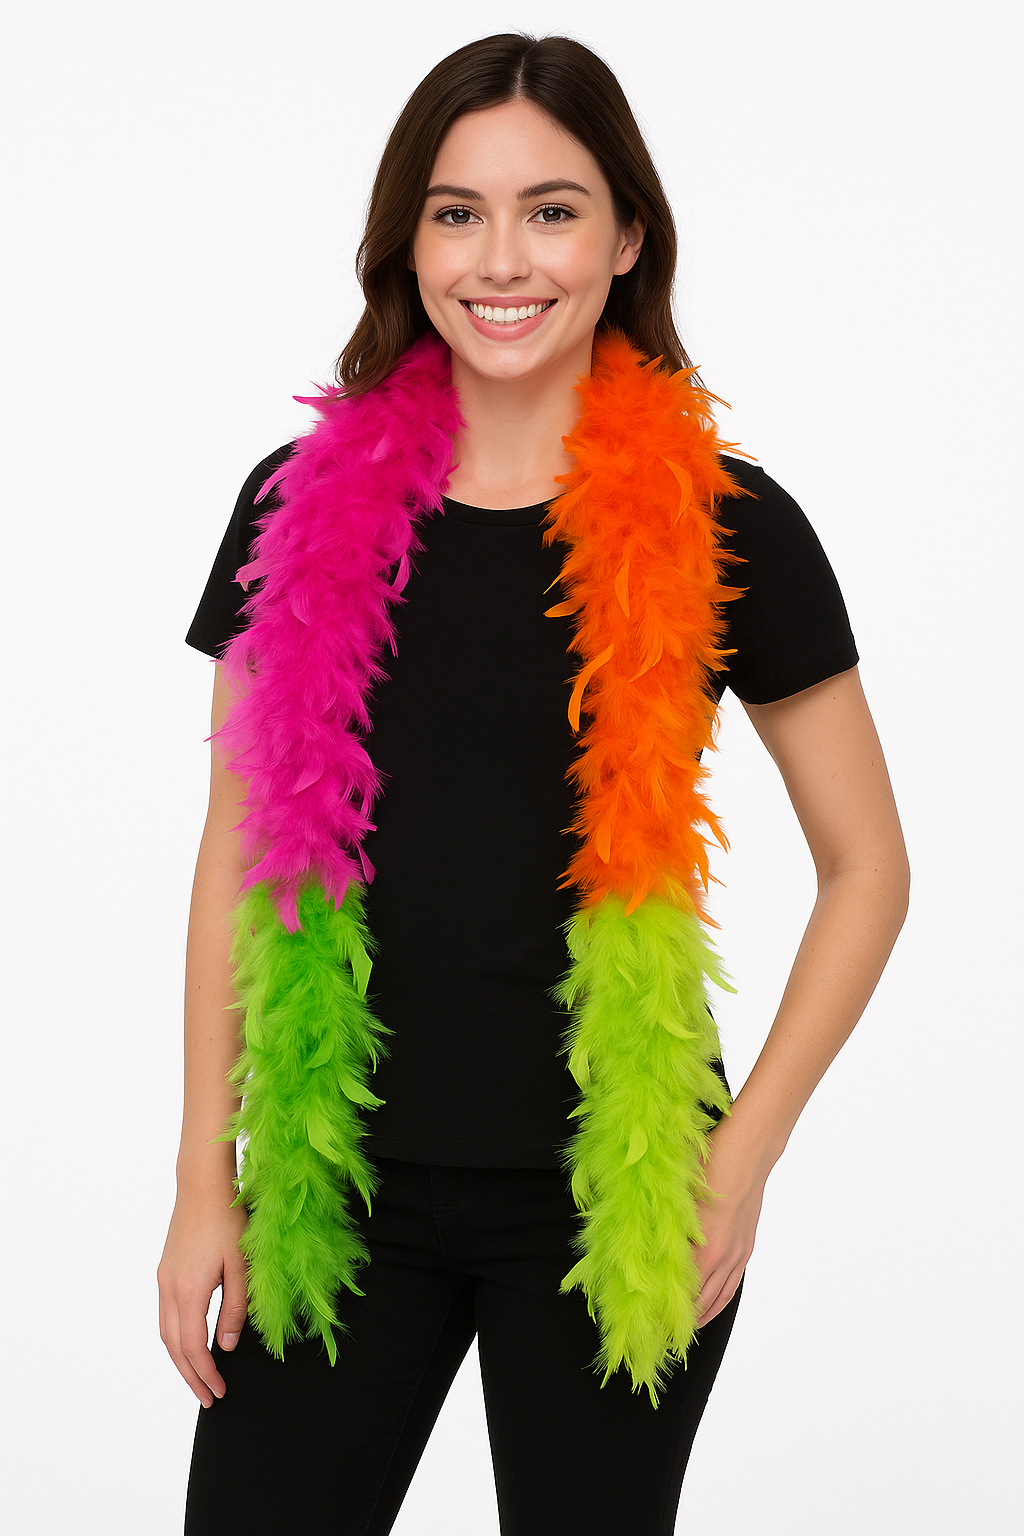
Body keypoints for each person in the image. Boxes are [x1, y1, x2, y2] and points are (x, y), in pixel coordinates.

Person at [158, 31, 910, 1536]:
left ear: (627, 240)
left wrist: (740, 1161)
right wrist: (201, 1176)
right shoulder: (293, 507)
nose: (502, 259)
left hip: (617, 1195)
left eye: (552, 210)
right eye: (459, 212)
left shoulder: (729, 524)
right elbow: (240, 845)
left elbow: (869, 868)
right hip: (329, 1184)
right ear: (409, 242)